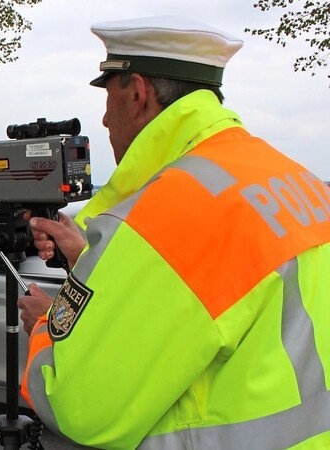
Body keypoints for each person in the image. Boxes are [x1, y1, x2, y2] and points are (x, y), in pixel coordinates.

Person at [18, 15, 330, 449]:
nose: (105, 120)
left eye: (108, 96)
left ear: (138, 93)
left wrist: (44, 325)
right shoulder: (297, 180)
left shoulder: (162, 218)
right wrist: (89, 261)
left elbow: (79, 406)